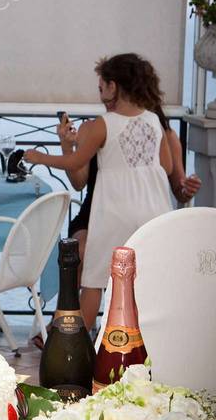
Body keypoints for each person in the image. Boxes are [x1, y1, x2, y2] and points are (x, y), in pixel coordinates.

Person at [24, 54, 174, 330]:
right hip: (155, 210)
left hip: (116, 211)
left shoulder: (103, 124)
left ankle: (78, 348)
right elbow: (166, 166)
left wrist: (38, 157)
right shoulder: (154, 120)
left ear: (113, 86)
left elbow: (76, 163)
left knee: (94, 281)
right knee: (150, 279)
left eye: (102, 86)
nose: (100, 92)